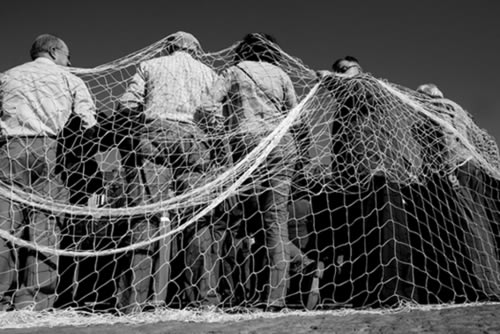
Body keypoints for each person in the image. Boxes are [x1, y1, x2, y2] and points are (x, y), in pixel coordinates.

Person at [115, 31, 222, 311]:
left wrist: (136, 128)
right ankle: (204, 302)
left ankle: (132, 304)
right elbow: (215, 116)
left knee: (146, 218)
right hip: (195, 139)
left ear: (169, 46)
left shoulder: (150, 65)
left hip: (154, 134)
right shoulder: (209, 73)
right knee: (197, 219)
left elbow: (127, 104)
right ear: (195, 49)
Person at [198, 33, 301, 311]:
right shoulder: (281, 75)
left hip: (248, 146)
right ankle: (275, 297)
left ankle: (241, 292)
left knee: (242, 221)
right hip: (282, 146)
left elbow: (208, 105)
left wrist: (222, 136)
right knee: (276, 222)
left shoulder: (234, 71)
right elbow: (297, 116)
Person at [0, 34, 97, 310]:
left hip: (9, 150)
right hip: (51, 151)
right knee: (45, 228)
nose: (70, 61)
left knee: (4, 226)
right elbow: (88, 121)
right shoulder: (70, 78)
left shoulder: (7, 76)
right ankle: (35, 302)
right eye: (68, 55)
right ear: (54, 52)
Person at [319, 56, 417, 307]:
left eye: (344, 69)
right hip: (355, 178)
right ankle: (367, 293)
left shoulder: (367, 83)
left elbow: (357, 88)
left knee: (386, 234)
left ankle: (392, 293)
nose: (339, 73)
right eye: (336, 70)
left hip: (379, 172)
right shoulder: (343, 107)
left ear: (358, 69)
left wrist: (331, 79)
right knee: (363, 236)